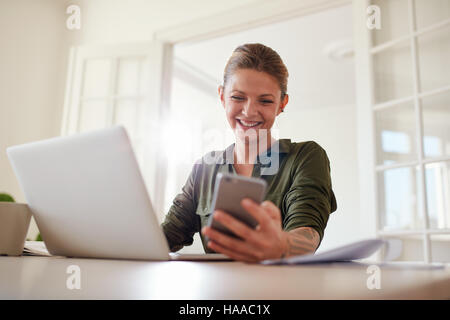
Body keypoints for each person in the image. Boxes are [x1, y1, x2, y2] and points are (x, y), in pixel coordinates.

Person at [161, 43, 337, 263]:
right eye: (237, 97)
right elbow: (165, 238)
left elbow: (308, 233)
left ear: (282, 103)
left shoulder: (305, 157)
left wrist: (282, 245)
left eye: (265, 100)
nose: (249, 111)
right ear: (222, 96)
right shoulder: (204, 169)